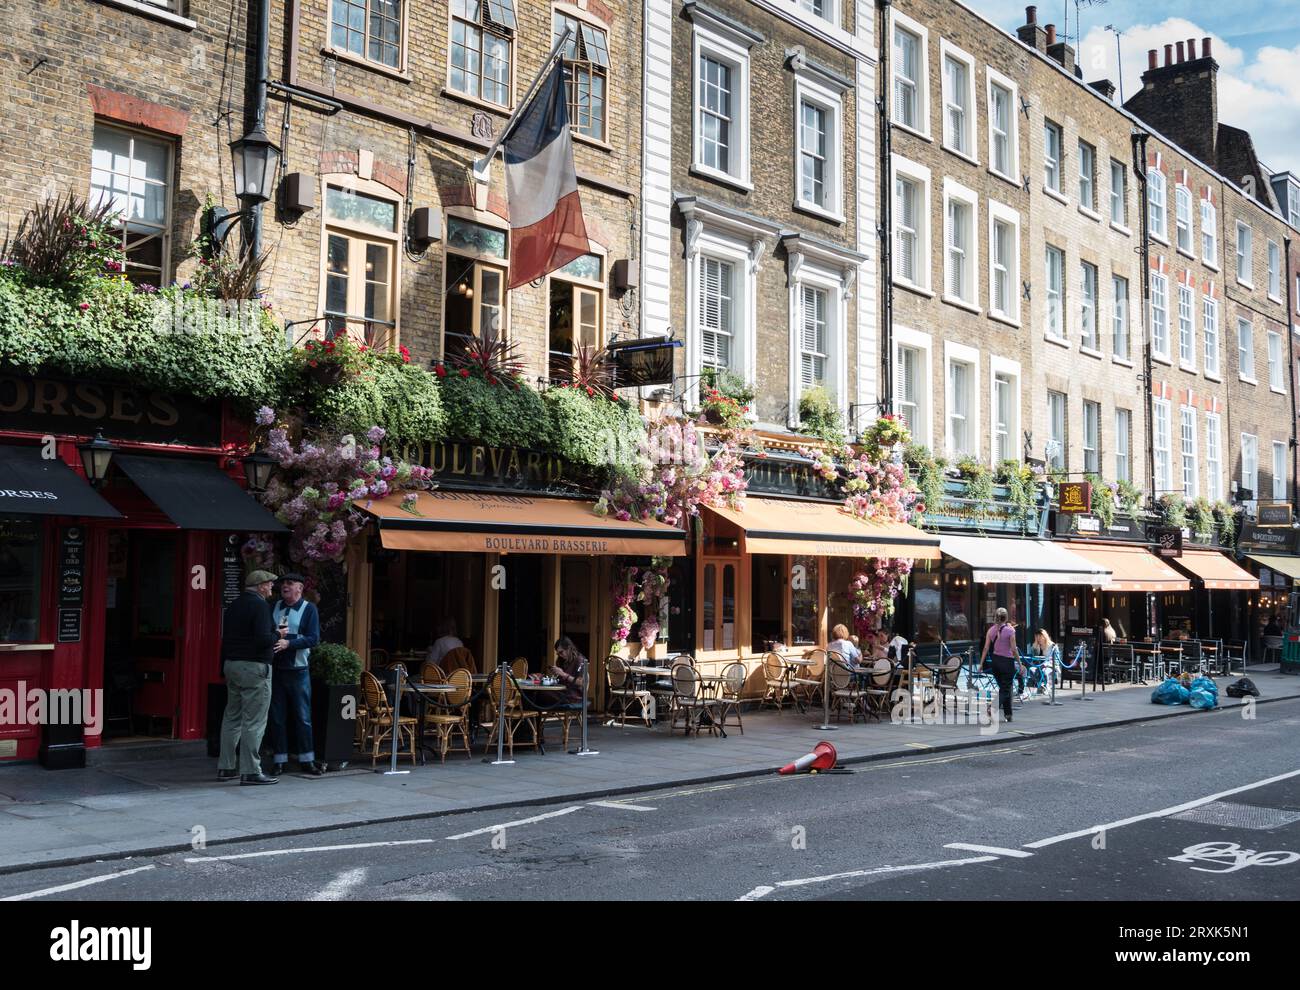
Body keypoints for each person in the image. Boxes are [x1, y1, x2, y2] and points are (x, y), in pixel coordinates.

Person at [217, 570, 282, 785]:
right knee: (254, 720)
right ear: (261, 586)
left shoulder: (234, 605)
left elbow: (226, 638)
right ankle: (251, 770)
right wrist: (278, 635)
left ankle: (226, 767)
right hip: (255, 667)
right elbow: (263, 639)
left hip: (232, 665)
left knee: (231, 717)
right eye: (270, 584)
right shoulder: (260, 606)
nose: (272, 588)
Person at [268, 573, 322, 777]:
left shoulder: (309, 609)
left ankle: (307, 760)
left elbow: (313, 639)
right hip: (277, 670)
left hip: (298, 670)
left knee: (303, 717)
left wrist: (289, 643)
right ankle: (279, 760)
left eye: (290, 584)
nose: (285, 586)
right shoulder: (274, 606)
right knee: (277, 717)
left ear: (300, 588)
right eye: (283, 583)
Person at [979, 607, 1019, 723]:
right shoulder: (1011, 630)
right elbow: (1014, 649)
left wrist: (981, 663)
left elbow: (986, 648)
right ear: (1006, 617)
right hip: (1007, 662)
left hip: (995, 662)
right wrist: (1020, 663)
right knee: (1006, 689)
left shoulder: (991, 630)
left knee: (1004, 688)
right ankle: (992, 708)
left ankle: (1008, 714)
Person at [550, 636, 589, 705]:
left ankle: (531, 714)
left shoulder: (579, 660)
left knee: (540, 695)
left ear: (569, 648)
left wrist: (563, 674)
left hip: (574, 696)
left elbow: (581, 682)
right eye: (558, 654)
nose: (560, 655)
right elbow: (560, 680)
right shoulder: (561, 661)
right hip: (563, 692)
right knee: (537, 693)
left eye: (561, 652)